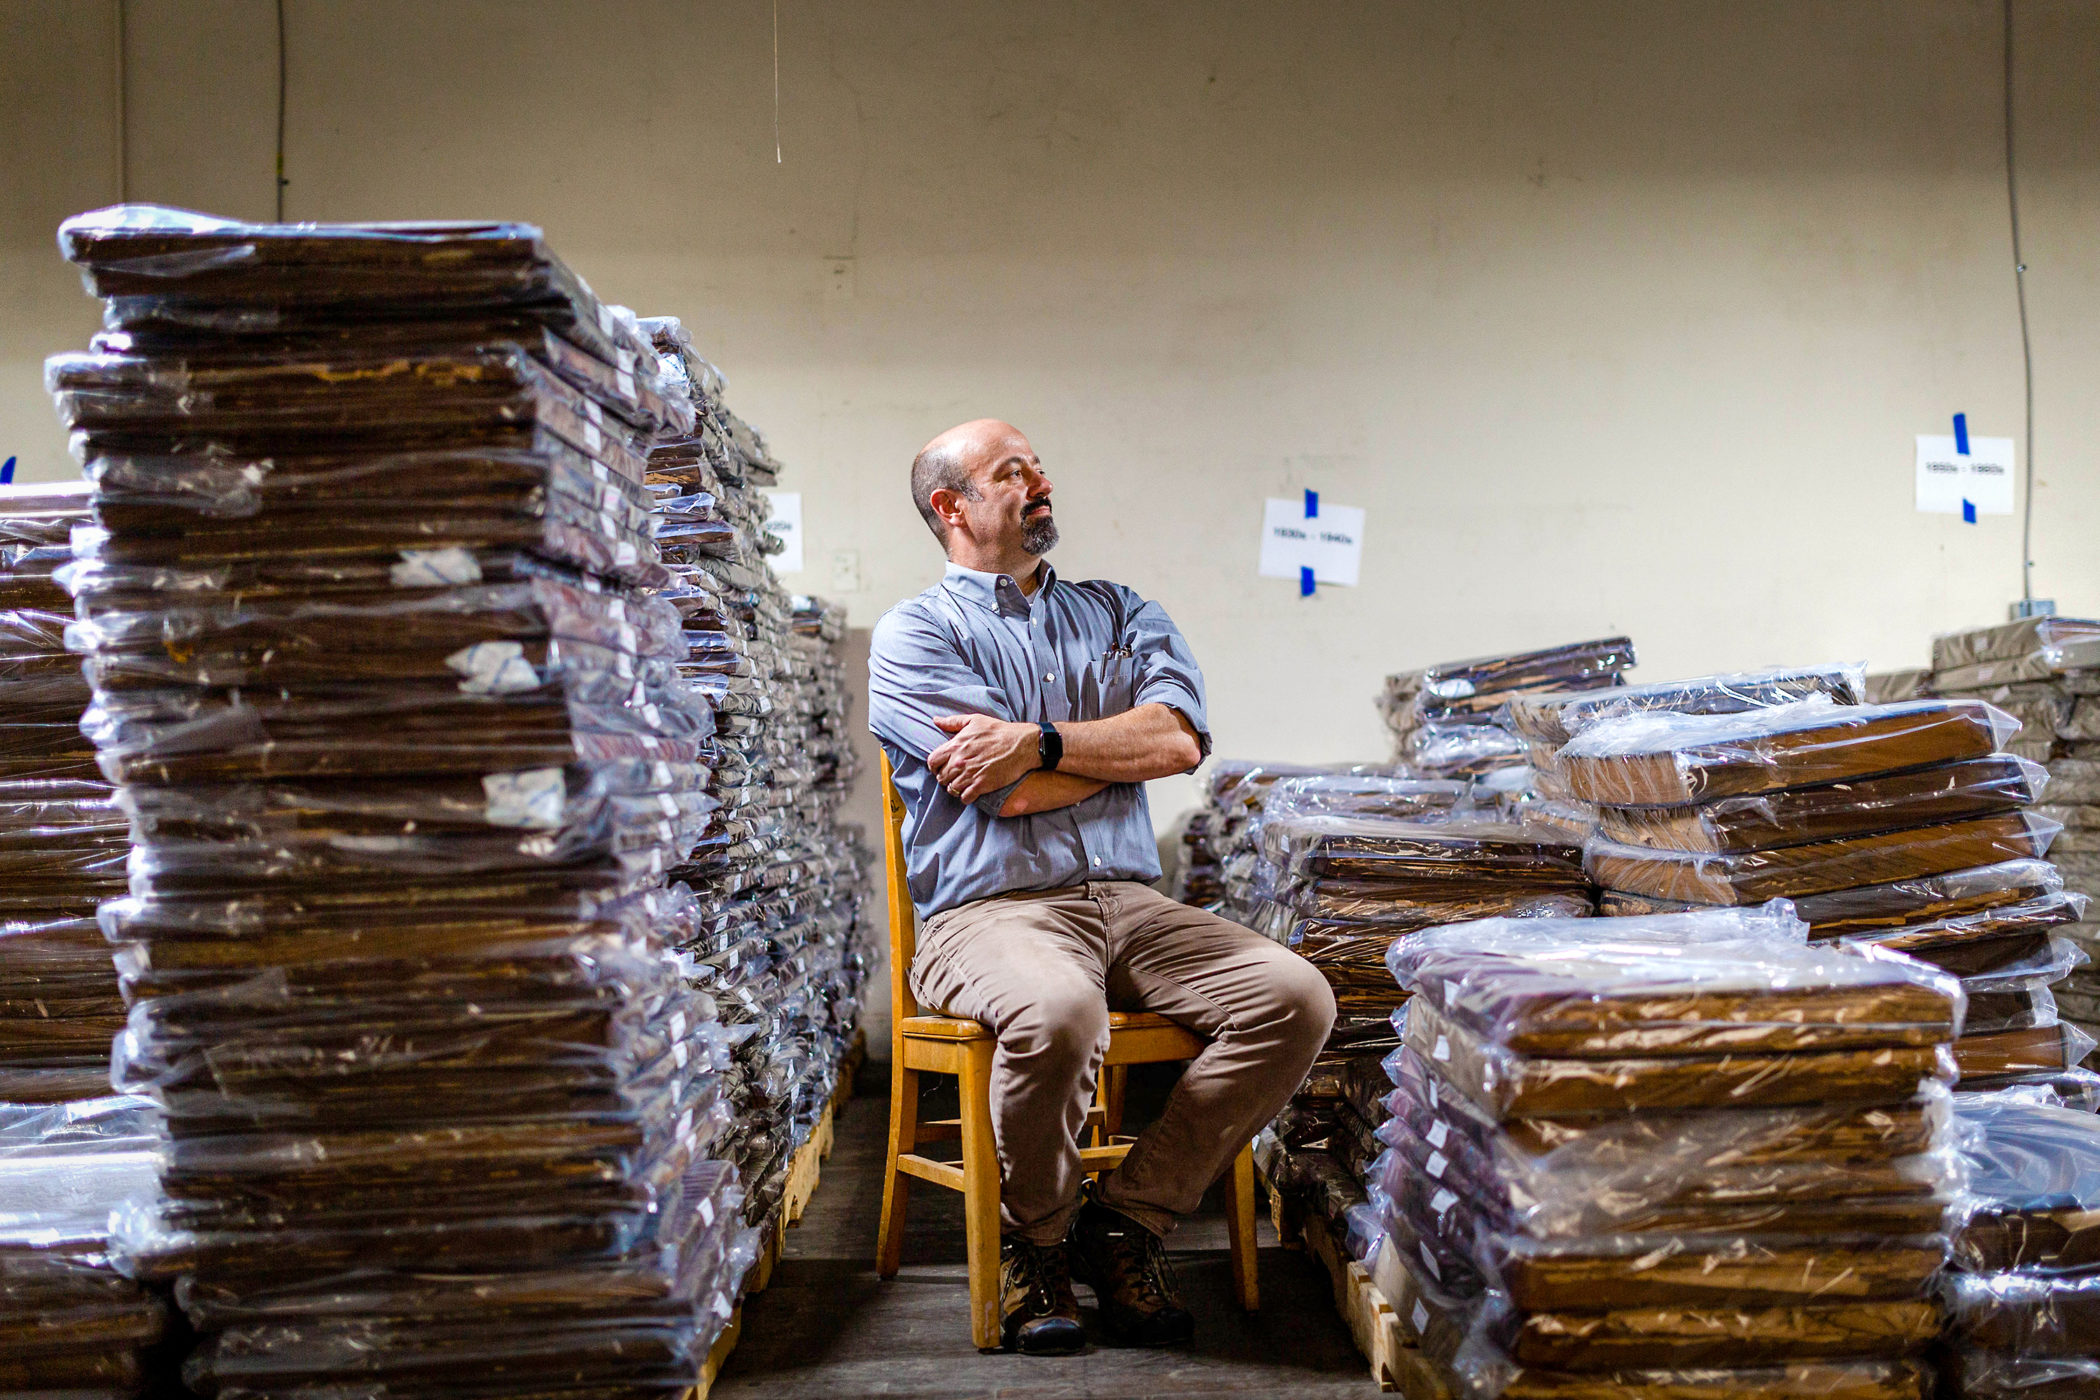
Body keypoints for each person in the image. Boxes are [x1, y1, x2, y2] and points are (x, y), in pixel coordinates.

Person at [867, 419, 1336, 1356]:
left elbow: (1179, 742)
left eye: (1039, 467)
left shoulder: (1122, 610)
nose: (1040, 481)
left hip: (1132, 903)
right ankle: (1035, 1243)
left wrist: (1039, 743)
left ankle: (1127, 1219)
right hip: (988, 912)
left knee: (1297, 998)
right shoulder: (915, 633)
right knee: (1058, 1012)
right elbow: (999, 795)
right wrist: (1115, 756)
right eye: (1013, 472)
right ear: (951, 507)